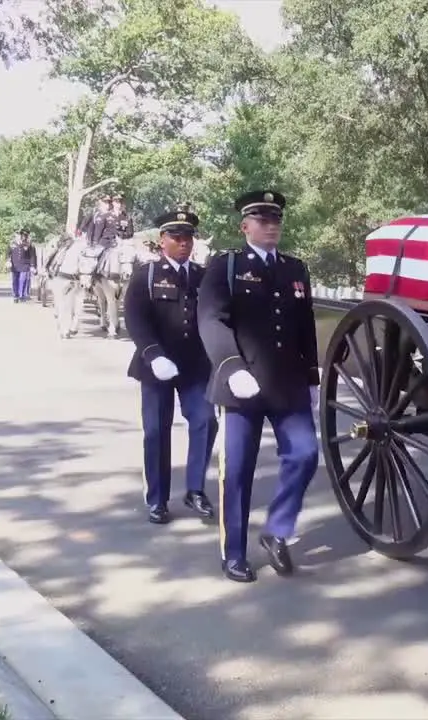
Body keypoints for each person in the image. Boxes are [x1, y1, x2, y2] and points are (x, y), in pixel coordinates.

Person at [197, 189, 320, 583]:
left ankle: (277, 530)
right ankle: (233, 552)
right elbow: (211, 320)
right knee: (237, 471)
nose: (272, 226)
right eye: (263, 220)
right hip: (241, 385)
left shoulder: (294, 268)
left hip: (287, 384)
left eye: (276, 220)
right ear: (245, 225)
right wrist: (231, 366)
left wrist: (312, 378)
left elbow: (304, 327)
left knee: (304, 454)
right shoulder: (227, 266)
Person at [123, 208, 217, 524]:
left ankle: (195, 489)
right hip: (156, 366)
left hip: (195, 367)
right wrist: (153, 354)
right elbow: (136, 319)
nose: (183, 243)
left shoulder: (205, 277)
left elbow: (216, 318)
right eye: (176, 237)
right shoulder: (146, 275)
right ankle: (158, 499)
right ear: (162, 240)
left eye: (188, 237)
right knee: (156, 431)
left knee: (206, 421)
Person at [7, 229, 37, 303]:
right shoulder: (13, 243)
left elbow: (33, 256)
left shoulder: (30, 245)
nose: (24, 237)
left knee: (23, 280)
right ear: (20, 235)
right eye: (23, 235)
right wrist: (8, 261)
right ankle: (15, 296)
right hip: (15, 265)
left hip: (25, 265)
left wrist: (32, 266)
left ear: (27, 236)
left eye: (26, 235)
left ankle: (22, 296)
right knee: (15, 281)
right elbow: (8, 253)